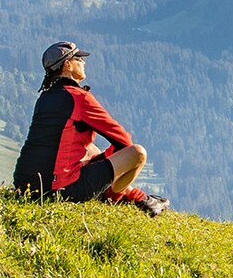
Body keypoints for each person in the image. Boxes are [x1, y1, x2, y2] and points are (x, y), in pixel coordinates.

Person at [12, 41, 169, 217]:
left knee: (88, 148)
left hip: (24, 185)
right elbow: (124, 141)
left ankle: (138, 197)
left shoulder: (44, 98)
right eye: (78, 58)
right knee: (138, 153)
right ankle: (118, 196)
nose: (84, 62)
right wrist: (108, 163)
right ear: (67, 65)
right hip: (61, 190)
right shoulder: (79, 98)